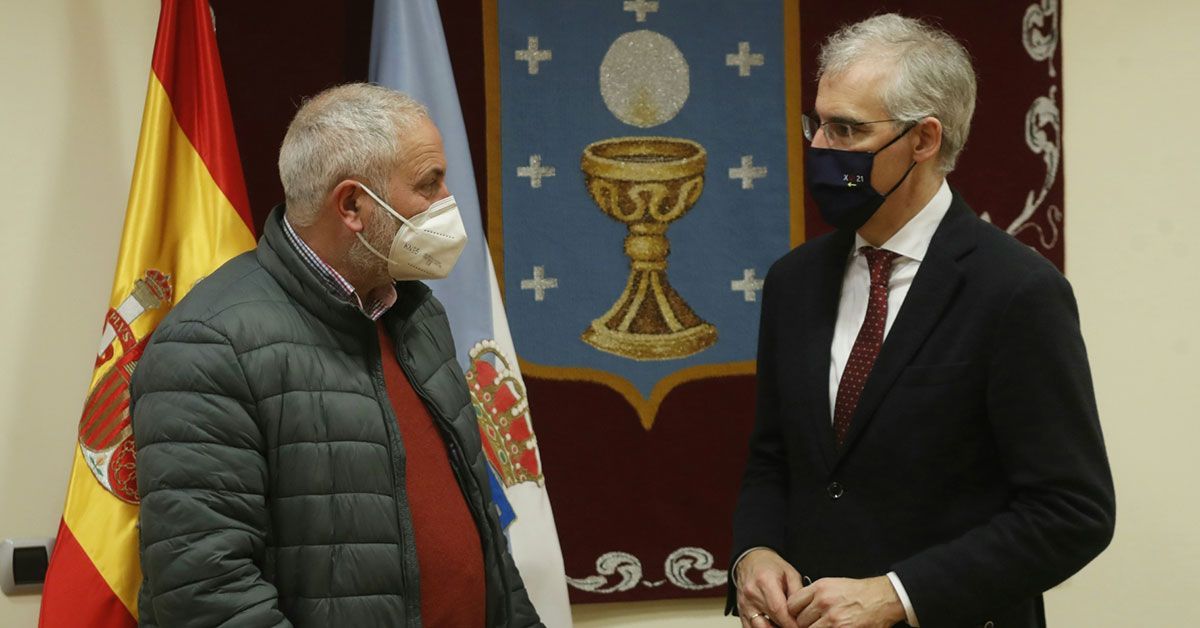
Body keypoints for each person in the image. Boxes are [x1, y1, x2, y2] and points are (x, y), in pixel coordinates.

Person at [729, 14, 1114, 628]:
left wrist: (897, 595)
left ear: (924, 140)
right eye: (818, 123)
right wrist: (755, 551)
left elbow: (1071, 510)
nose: (820, 148)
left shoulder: (1016, 290)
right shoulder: (793, 282)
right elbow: (774, 457)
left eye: (847, 129)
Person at [131, 83, 542, 627]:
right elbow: (207, 592)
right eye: (429, 184)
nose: (448, 205)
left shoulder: (415, 313)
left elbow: (484, 531)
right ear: (351, 205)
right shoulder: (210, 345)